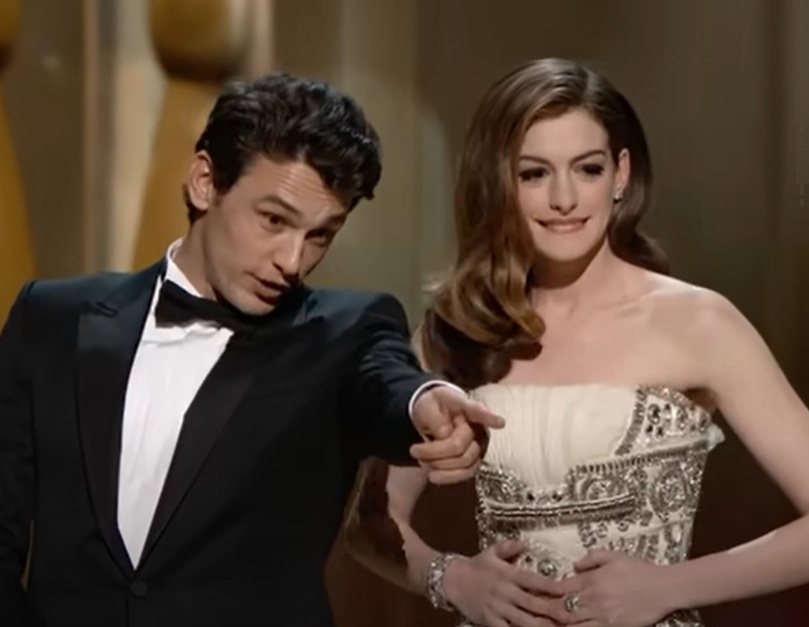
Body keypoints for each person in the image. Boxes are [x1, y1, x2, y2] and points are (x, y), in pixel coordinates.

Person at [0, 72, 504, 627]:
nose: (293, 260)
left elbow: (385, 382)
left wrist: (424, 401)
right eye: (274, 220)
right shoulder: (52, 319)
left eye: (320, 235)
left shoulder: (344, 331)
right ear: (204, 182)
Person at [343, 57, 809, 627]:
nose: (564, 198)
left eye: (586, 169)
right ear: (499, 184)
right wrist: (454, 578)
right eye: (534, 173)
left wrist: (670, 585)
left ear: (621, 175)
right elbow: (369, 520)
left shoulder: (700, 323)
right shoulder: (459, 328)